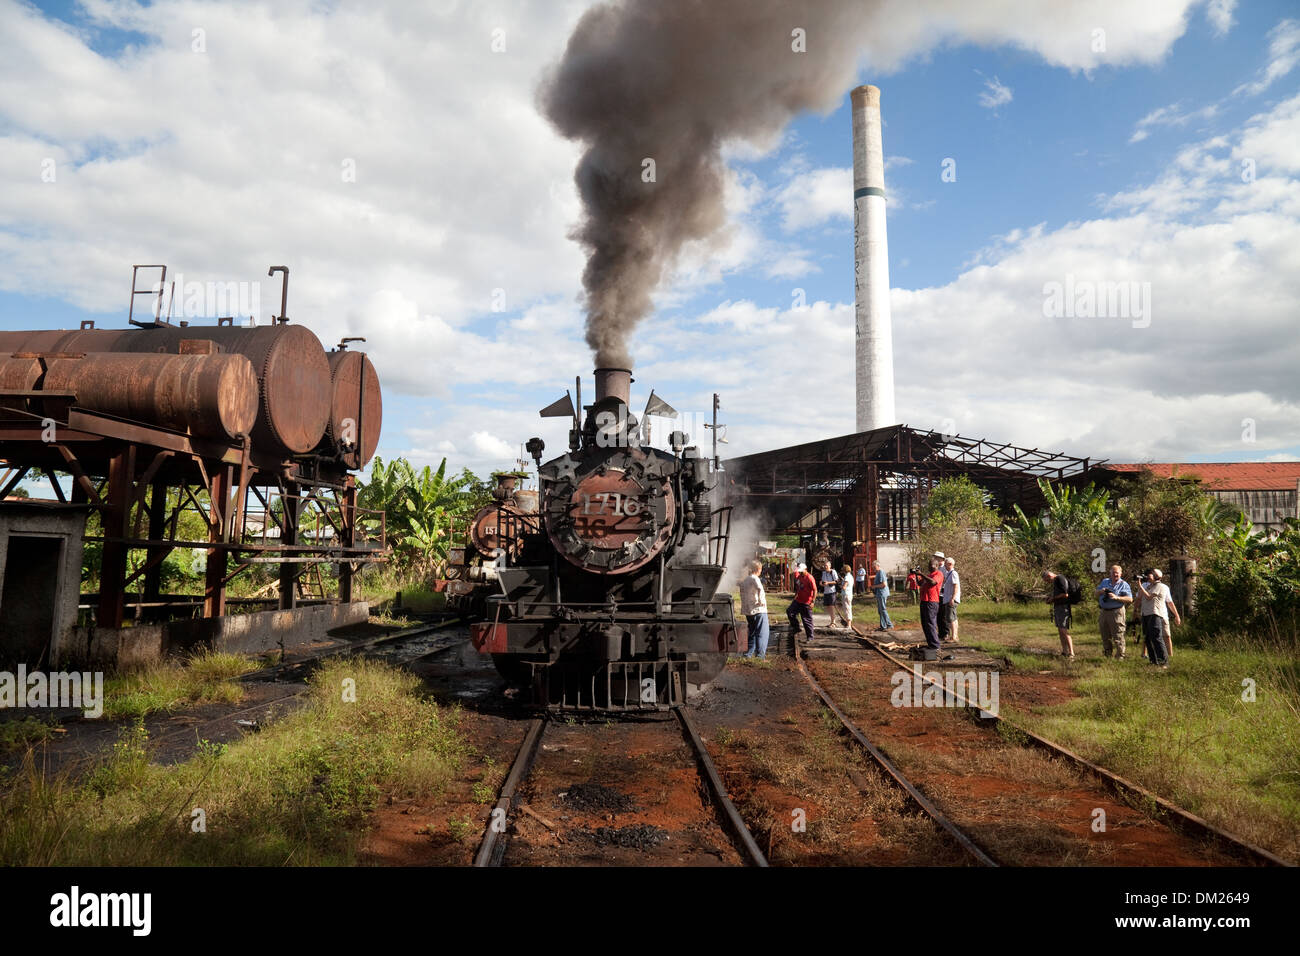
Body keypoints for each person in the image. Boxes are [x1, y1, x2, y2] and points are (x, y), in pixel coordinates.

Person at [1135, 569, 1181, 668]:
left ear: (1156, 576)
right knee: (1147, 638)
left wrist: (1140, 586)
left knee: (1156, 638)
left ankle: (1164, 662)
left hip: (1155, 614)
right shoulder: (1147, 586)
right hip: (1146, 614)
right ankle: (1153, 661)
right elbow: (1139, 598)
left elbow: (1149, 597)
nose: (1147, 576)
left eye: (1149, 575)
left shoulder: (1160, 586)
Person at [1095, 564, 1133, 660]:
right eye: (1113, 572)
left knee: (1118, 634)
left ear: (1120, 574)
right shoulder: (1105, 581)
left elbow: (1130, 599)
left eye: (1117, 573)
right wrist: (1101, 591)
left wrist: (1117, 597)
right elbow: (1096, 593)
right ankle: (1107, 655)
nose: (1115, 574)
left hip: (1117, 612)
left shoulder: (1124, 584)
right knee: (1105, 634)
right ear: (1110, 573)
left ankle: (1120, 656)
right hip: (1104, 611)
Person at [739, 559, 769, 659]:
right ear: (758, 569)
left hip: (749, 611)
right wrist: (761, 601)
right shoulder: (755, 578)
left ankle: (748, 654)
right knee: (762, 633)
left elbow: (742, 595)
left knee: (752, 633)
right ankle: (760, 656)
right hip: (759, 610)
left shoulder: (745, 581)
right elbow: (760, 589)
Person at [785, 561, 817, 650]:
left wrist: (812, 602)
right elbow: (798, 587)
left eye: (802, 571)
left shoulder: (810, 578)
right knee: (790, 612)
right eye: (800, 571)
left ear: (806, 570)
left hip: (807, 602)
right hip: (798, 600)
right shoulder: (799, 576)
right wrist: (795, 596)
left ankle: (810, 636)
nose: (800, 572)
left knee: (806, 619)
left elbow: (815, 590)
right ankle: (796, 627)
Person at [1043, 570, 1074, 658]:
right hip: (1058, 607)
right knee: (1060, 630)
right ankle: (1064, 651)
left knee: (1063, 630)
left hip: (1063, 608)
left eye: (1047, 580)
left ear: (1049, 575)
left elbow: (1065, 594)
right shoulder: (1056, 581)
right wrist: (1051, 599)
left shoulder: (1060, 578)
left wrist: (1053, 598)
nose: (1048, 582)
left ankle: (1071, 653)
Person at [917, 556, 944, 651]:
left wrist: (922, 574)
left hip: (931, 602)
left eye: (931, 565)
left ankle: (935, 646)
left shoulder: (938, 574)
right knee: (925, 624)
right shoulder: (929, 575)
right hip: (924, 601)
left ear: (936, 566)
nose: (930, 567)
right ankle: (931, 644)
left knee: (930, 624)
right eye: (929, 565)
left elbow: (933, 582)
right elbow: (920, 583)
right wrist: (917, 575)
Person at [940, 556, 961, 644]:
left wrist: (952, 598)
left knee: (951, 618)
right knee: (953, 617)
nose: (944, 566)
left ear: (950, 564)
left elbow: (955, 586)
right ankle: (955, 635)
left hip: (951, 599)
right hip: (948, 598)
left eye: (946, 564)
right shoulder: (949, 573)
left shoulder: (953, 573)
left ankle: (953, 636)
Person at [868, 560, 893, 631]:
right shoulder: (878, 572)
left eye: (874, 566)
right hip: (879, 594)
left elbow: (884, 584)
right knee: (880, 610)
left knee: (883, 609)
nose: (873, 567)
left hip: (882, 593)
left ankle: (889, 625)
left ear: (877, 565)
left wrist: (874, 586)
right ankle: (883, 626)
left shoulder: (881, 572)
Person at [830, 563, 854, 630]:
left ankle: (849, 624)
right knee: (848, 608)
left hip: (846, 594)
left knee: (847, 609)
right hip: (849, 594)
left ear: (845, 570)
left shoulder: (847, 577)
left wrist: (840, 585)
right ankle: (849, 623)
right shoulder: (851, 576)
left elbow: (844, 587)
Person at [819, 559, 840, 625]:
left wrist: (828, 583)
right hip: (826, 592)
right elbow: (822, 581)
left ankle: (833, 622)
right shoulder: (823, 573)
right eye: (824, 565)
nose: (825, 567)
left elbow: (836, 581)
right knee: (827, 606)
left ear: (830, 566)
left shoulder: (833, 572)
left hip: (832, 591)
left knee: (831, 606)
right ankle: (832, 619)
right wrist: (821, 583)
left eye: (826, 565)